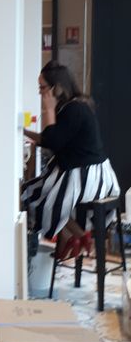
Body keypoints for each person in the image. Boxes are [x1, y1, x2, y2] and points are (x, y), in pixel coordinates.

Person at [22, 60, 119, 260]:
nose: (40, 92)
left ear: (56, 88)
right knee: (37, 193)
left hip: (87, 175)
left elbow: (52, 142)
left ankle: (74, 237)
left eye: (42, 87)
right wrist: (24, 132)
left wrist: (48, 110)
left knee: (33, 196)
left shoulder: (73, 109)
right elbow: (54, 139)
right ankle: (77, 237)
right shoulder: (74, 106)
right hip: (88, 171)